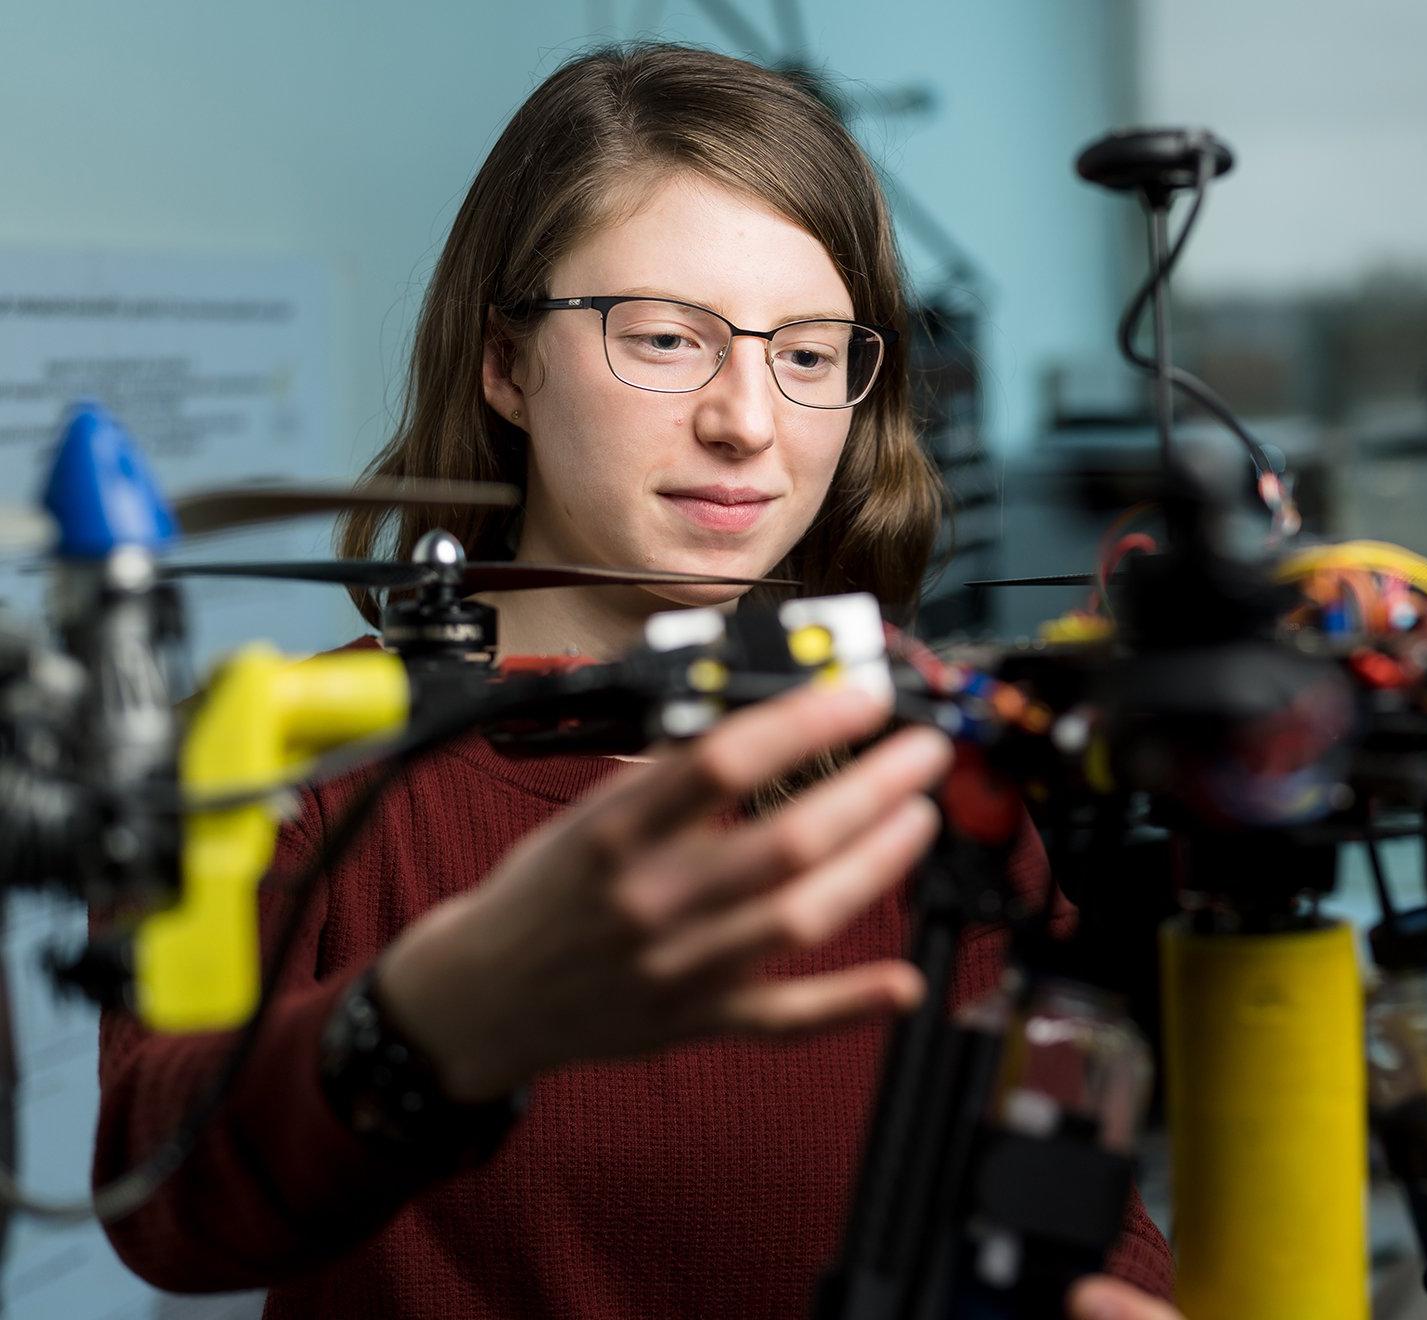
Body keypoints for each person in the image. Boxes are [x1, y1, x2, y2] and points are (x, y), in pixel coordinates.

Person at [94, 43, 1178, 1320]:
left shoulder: (930, 764)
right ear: (506, 361)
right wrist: (440, 1018)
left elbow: (1062, 1199)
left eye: (812, 356)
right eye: (667, 339)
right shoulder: (304, 759)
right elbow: (164, 1200)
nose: (749, 421)